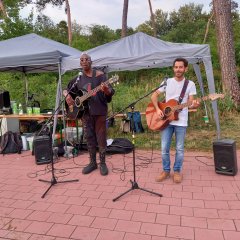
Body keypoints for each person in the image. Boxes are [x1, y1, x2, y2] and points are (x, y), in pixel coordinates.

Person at [63, 53, 115, 176]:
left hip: (100, 111)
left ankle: (102, 163)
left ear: (91, 62)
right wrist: (67, 96)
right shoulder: (78, 79)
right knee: (89, 138)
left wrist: (106, 90)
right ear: (80, 63)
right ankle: (92, 162)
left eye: (87, 59)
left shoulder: (101, 76)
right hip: (85, 114)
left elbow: (111, 91)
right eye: (82, 60)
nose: (84, 61)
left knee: (101, 137)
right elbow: (66, 89)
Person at [151, 57, 199, 183]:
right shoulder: (167, 82)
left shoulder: (190, 84)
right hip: (166, 121)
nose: (178, 69)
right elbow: (154, 96)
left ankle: (177, 171)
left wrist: (194, 104)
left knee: (179, 149)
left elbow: (191, 102)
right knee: (164, 148)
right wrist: (157, 109)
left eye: (181, 67)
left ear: (185, 68)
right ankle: (166, 171)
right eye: (176, 67)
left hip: (181, 121)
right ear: (173, 68)